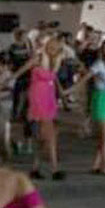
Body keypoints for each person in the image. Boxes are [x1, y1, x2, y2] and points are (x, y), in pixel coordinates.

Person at [66, 40, 105, 176]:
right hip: (101, 98)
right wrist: (70, 90)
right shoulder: (99, 64)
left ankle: (96, 164)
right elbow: (85, 79)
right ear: (102, 50)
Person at [14, 35, 66, 180]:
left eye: (56, 48)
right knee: (50, 135)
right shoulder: (38, 59)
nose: (53, 50)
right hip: (39, 99)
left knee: (45, 137)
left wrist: (63, 96)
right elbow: (20, 71)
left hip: (49, 99)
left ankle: (36, 167)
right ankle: (54, 169)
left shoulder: (54, 62)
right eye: (51, 47)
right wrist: (6, 81)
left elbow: (54, 80)